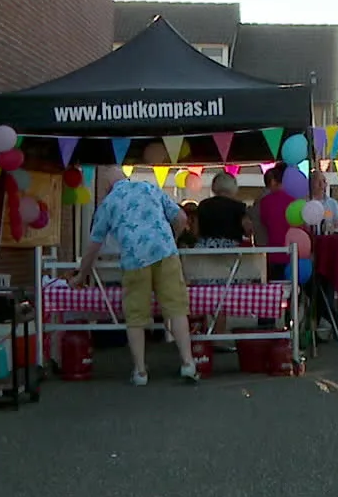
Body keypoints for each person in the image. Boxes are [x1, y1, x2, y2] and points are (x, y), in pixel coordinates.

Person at [71, 164, 199, 386]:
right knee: (176, 308)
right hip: (165, 252)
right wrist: (172, 239)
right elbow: (180, 217)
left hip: (134, 258)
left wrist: (81, 275)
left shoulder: (108, 204)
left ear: (107, 184)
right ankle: (188, 363)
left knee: (136, 316)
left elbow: (94, 245)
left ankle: (140, 371)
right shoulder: (149, 188)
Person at [192, 171, 252, 252]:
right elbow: (247, 230)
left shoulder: (203, 204)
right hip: (231, 249)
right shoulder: (239, 206)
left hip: (206, 248)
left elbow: (195, 230)